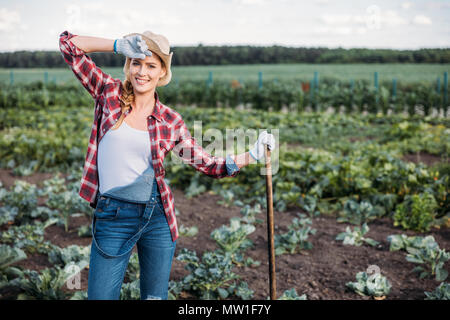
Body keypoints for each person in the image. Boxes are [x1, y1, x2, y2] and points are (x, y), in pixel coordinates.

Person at [59, 30, 276, 300]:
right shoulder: (108, 93)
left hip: (157, 216)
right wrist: (117, 45)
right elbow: (68, 45)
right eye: (137, 62)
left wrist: (251, 155)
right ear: (129, 65)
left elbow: (207, 164)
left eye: (151, 65)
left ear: (162, 72)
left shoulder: (170, 121)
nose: (142, 72)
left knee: (155, 298)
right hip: (112, 215)